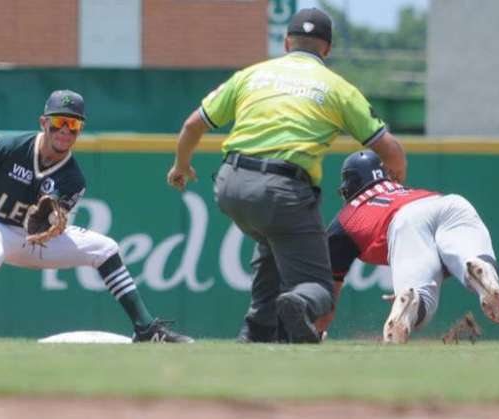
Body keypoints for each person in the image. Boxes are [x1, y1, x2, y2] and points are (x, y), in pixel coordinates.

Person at [166, 8, 407, 343]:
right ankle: (300, 301)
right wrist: (394, 194)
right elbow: (392, 152)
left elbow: (193, 124)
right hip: (283, 191)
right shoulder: (338, 88)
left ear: (285, 42)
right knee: (320, 288)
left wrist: (181, 166)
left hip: (230, 185)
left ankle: (256, 330)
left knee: (272, 243)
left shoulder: (251, 75)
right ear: (327, 49)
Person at [0, 89, 193, 343]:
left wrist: (53, 226)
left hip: (33, 240)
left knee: (106, 249)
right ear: (44, 123)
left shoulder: (73, 178)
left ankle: (144, 329)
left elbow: (55, 222)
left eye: (74, 124)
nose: (66, 131)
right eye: (59, 122)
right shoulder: (10, 146)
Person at [314, 150, 499, 343]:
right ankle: (483, 269)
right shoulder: (403, 189)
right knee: (472, 256)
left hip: (405, 220)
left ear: (349, 187)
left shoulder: (346, 219)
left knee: (421, 298)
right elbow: (444, 256)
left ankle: (412, 302)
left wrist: (316, 330)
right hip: (449, 204)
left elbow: (326, 301)